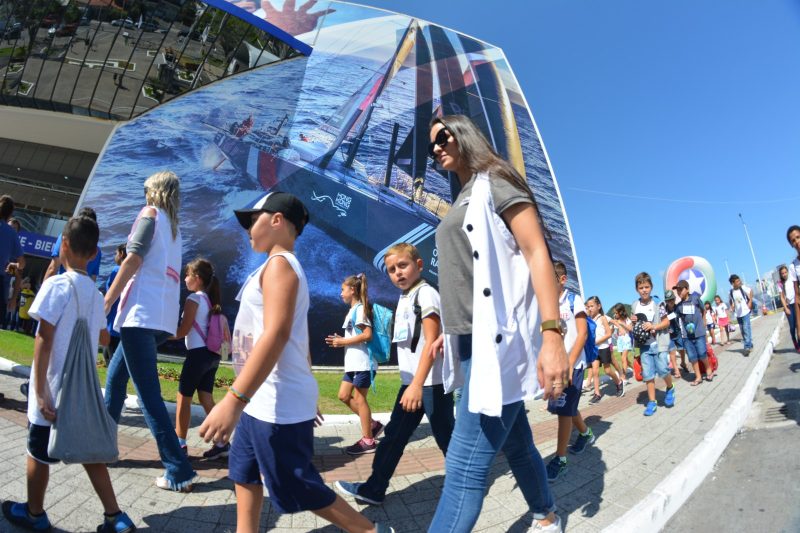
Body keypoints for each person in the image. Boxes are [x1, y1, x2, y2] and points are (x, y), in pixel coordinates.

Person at [198, 191, 392, 533]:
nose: (247, 229)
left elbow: (276, 334)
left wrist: (233, 400)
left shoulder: (280, 266)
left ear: (277, 220)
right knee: (244, 472)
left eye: (252, 220)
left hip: (274, 400)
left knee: (296, 483)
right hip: (262, 398)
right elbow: (299, 338)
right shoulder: (275, 266)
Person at [425, 115, 564, 532]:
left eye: (442, 136)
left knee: (463, 468)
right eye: (431, 144)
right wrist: (447, 334)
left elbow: (536, 252)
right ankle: (547, 516)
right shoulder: (464, 195)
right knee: (518, 445)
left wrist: (552, 335)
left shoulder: (494, 181)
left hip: (495, 347)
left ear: (464, 134)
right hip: (468, 343)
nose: (436, 147)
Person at [1, 216, 135, 533]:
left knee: (38, 453)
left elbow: (43, 339)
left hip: (52, 388)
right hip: (81, 391)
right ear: (94, 254)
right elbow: (104, 338)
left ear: (63, 245)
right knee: (90, 453)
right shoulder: (95, 294)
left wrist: (39, 392)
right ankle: (115, 516)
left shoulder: (56, 285)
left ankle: (34, 513)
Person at [335, 242, 454, 505]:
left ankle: (466, 488)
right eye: (391, 269)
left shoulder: (426, 295)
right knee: (393, 438)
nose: (398, 272)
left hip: (429, 384)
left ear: (418, 265)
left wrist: (417, 385)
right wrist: (411, 384)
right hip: (411, 383)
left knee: (447, 440)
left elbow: (432, 343)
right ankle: (373, 489)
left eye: (403, 265)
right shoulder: (405, 297)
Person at [103, 171, 196, 492]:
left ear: (155, 191)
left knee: (149, 398)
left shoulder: (150, 215)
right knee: (115, 381)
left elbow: (132, 260)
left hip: (140, 318)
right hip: (161, 321)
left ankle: (178, 470)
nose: (144, 196)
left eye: (146, 190)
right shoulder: (174, 228)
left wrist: (106, 300)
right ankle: (102, 448)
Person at [171, 258, 228, 459]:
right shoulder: (210, 301)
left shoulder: (194, 299)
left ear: (197, 278)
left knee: (183, 399)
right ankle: (222, 443)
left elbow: (182, 331)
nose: (184, 279)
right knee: (206, 398)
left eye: (187, 275)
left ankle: (180, 445)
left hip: (197, 355)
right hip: (212, 357)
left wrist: (159, 335)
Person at [546, 262, 595, 483]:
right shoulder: (547, 304)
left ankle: (561, 459)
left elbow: (582, 334)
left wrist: (569, 363)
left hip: (573, 365)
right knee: (566, 406)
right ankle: (585, 433)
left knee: (564, 411)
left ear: (562, 279)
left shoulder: (574, 300)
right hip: (556, 365)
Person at [325, 273, 383, 455]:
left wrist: (342, 341)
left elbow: (367, 335)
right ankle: (372, 425)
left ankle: (368, 441)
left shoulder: (360, 309)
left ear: (352, 290)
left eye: (343, 289)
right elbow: (356, 336)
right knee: (343, 395)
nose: (340, 293)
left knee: (359, 399)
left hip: (363, 364)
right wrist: (341, 339)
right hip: (353, 364)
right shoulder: (352, 311)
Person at [631, 272, 675, 416]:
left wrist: (653, 326)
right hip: (644, 346)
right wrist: (633, 322)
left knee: (663, 370)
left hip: (658, 343)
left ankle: (670, 387)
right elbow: (635, 325)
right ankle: (652, 402)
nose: (644, 290)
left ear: (651, 287)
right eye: (641, 287)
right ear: (637, 289)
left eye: (647, 287)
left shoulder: (658, 303)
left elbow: (666, 322)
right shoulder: (635, 305)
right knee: (648, 375)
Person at [44, 206, 102, 282]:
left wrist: (44, 287)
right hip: (83, 288)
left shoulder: (65, 237)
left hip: (62, 285)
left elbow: (53, 268)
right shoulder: (96, 251)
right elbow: (93, 278)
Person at [673, 281, 714, 385]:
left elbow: (703, 310)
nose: (679, 292)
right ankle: (698, 377)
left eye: (681, 289)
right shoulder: (678, 306)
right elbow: (675, 318)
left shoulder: (695, 298)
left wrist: (704, 322)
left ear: (687, 289)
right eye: (677, 290)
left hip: (699, 332)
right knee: (692, 357)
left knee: (702, 353)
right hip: (687, 336)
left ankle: (709, 370)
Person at [585, 295, 624, 403]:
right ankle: (597, 393)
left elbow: (608, 334)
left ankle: (619, 382)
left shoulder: (602, 318)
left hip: (604, 347)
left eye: (592, 306)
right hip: (594, 349)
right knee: (595, 372)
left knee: (607, 370)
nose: (590, 308)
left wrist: (597, 341)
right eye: (588, 307)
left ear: (599, 306)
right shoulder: (588, 320)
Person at [0, 195, 25, 330]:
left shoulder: (13, 255)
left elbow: (17, 277)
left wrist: (14, 298)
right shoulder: (11, 236)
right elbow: (22, 264)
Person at [103, 243, 126, 366]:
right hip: (119, 324)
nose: (115, 256)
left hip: (112, 324)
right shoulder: (130, 272)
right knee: (109, 357)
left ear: (121, 254)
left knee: (111, 361)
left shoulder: (117, 270)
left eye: (116, 253)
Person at [728, 274, 754, 356]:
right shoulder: (731, 292)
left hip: (746, 311)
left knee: (746, 328)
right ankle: (750, 344)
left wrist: (750, 302)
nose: (739, 282)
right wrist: (732, 307)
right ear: (733, 283)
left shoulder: (743, 288)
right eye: (737, 281)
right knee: (743, 331)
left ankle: (747, 347)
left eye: (739, 280)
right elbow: (731, 301)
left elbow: (751, 291)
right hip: (738, 314)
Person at [664, 290, 686, 378]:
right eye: (669, 300)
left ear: (674, 299)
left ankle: (683, 363)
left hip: (679, 333)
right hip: (669, 335)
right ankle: (676, 370)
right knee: (672, 352)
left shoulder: (678, 308)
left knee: (682, 349)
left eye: (672, 299)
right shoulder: (664, 310)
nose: (671, 301)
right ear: (666, 301)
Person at [609, 303, 633, 381]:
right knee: (626, 360)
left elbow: (630, 329)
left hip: (626, 339)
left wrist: (621, 323)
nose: (615, 314)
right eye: (614, 313)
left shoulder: (627, 319)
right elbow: (612, 331)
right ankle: (636, 369)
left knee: (623, 358)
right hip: (619, 340)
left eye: (616, 313)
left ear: (621, 312)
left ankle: (623, 376)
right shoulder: (615, 320)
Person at [778, 265, 798, 350]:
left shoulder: (792, 279)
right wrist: (786, 308)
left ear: (788, 272)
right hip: (789, 306)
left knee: (798, 325)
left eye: (785, 272)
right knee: (792, 326)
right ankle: (794, 340)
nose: (784, 274)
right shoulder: (780, 283)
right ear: (780, 274)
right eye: (782, 273)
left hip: (796, 304)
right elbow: (782, 297)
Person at [786, 225, 800, 353]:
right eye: (793, 240)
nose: (796, 242)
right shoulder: (793, 266)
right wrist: (799, 328)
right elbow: (797, 296)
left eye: (798, 237)